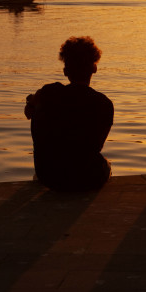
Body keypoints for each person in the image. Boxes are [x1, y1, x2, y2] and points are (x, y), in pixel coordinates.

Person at [24, 37, 113, 191]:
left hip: (48, 176)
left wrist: (32, 103)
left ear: (65, 71)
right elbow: (97, 146)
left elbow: (28, 114)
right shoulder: (104, 104)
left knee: (38, 109)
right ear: (94, 68)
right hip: (88, 178)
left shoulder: (47, 93)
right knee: (106, 164)